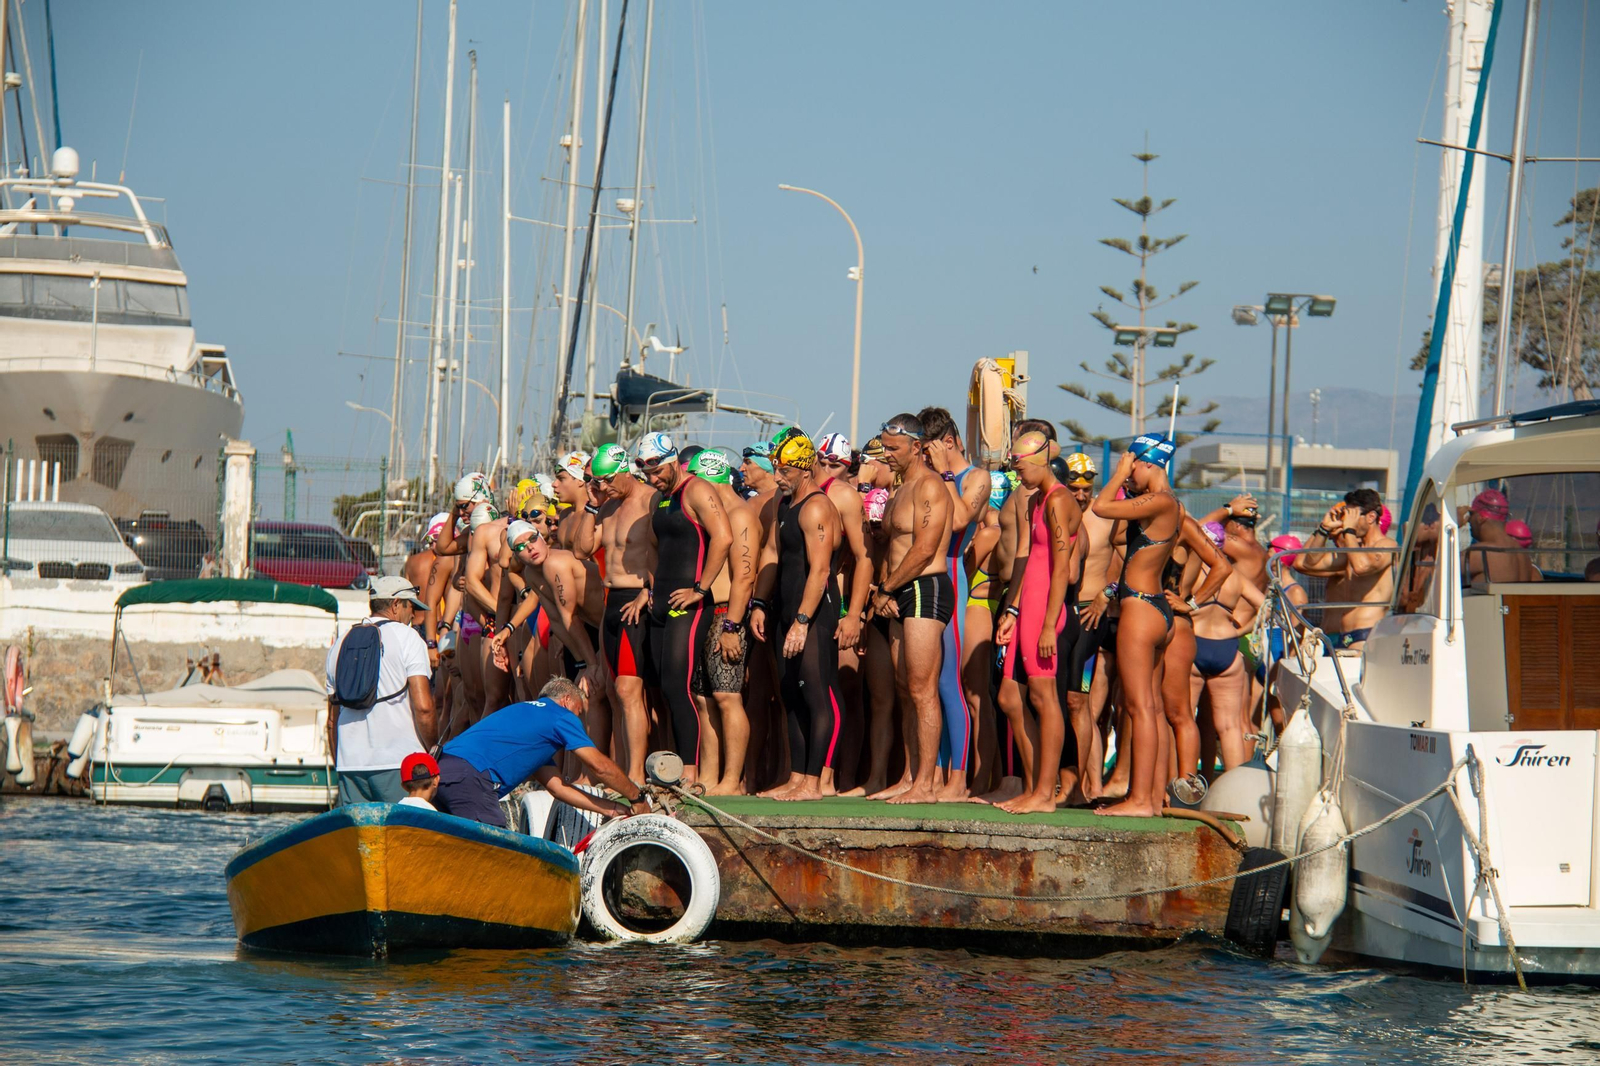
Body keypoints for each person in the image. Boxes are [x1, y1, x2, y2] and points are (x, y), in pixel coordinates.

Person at [1090, 435, 1186, 818]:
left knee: (1140, 708)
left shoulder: (1161, 500)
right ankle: (1153, 796)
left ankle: (1141, 800)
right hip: (1157, 610)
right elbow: (1119, 533)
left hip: (1141, 610)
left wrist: (1117, 474)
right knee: (1154, 709)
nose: (1130, 474)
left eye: (1135, 466)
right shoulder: (1171, 505)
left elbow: (1101, 506)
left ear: (1150, 463)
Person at [636, 432, 734, 786]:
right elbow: (651, 545)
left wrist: (700, 589)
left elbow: (723, 537)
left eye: (658, 471)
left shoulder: (698, 490)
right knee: (665, 685)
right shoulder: (658, 500)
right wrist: (649, 586)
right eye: (647, 474)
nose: (653, 479)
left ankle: (689, 774)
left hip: (690, 605)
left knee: (679, 686)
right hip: (662, 600)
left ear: (674, 460)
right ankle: (676, 767)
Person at [752, 431, 845, 801]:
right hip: (787, 607)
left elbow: (821, 571)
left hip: (815, 613)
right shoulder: (785, 503)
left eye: (784, 469)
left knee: (816, 694)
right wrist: (760, 603)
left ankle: (814, 781)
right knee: (791, 693)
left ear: (805, 469)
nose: (777, 476)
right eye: (776, 468)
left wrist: (803, 622)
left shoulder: (817, 507)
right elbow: (773, 555)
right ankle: (796, 776)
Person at [868, 413, 955, 805]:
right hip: (898, 591)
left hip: (923, 587)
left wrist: (887, 587)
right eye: (884, 446)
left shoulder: (930, 486)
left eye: (893, 448)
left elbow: (923, 549)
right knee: (905, 689)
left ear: (917, 447)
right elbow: (893, 546)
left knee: (922, 689)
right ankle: (908, 777)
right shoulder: (901, 489)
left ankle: (927, 784)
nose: (886, 454)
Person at [992, 431, 1081, 814]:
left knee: (1045, 699)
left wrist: (1048, 624)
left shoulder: (1060, 501)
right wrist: (1011, 611)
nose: (1018, 474)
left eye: (1021, 466)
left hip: (1047, 610)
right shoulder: (1036, 501)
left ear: (1041, 461)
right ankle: (1034, 788)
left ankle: (1045, 793)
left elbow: (1062, 569)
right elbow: (1026, 560)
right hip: (1027, 608)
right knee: (1013, 696)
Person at [436, 677, 651, 827]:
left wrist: (611, 809)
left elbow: (559, 788)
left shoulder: (526, 716)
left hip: (439, 770)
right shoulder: (559, 715)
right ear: (567, 700)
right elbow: (600, 767)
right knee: (491, 855)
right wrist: (636, 797)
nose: (579, 720)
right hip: (470, 777)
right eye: (579, 712)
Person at [916, 406, 990, 801]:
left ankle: (958, 779)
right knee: (923, 684)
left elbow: (961, 520)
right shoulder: (928, 476)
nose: (925, 459)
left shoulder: (975, 477)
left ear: (947, 442)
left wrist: (944, 472)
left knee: (948, 683)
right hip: (925, 579)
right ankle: (935, 774)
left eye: (928, 451)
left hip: (953, 577)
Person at [325, 576, 438, 805]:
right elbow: (424, 708)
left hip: (350, 765)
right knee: (401, 837)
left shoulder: (340, 643)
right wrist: (432, 750)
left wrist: (342, 762)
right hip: (400, 765)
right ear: (396, 605)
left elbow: (331, 720)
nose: (415, 616)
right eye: (411, 607)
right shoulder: (408, 637)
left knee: (362, 840)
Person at [687, 449, 759, 796]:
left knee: (727, 696)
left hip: (729, 615)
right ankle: (710, 776)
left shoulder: (741, 515)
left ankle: (733, 779)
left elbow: (745, 578)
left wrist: (732, 626)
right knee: (703, 699)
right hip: (708, 614)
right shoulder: (716, 516)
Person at [584, 443, 656, 782]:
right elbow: (583, 548)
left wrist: (649, 590)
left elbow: (665, 551)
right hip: (611, 601)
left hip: (634, 600)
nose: (603, 488)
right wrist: (590, 502)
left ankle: (636, 775)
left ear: (625, 470)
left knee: (630, 690)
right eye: (597, 482)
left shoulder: (650, 501)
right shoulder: (606, 506)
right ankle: (626, 771)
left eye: (607, 481)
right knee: (615, 691)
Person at [1188, 521, 1262, 778]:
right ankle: (1235, 790)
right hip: (1227, 649)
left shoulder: (1193, 571)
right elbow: (1266, 607)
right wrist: (1240, 630)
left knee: (1185, 720)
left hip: (1194, 644)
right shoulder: (1235, 576)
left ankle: (1185, 785)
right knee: (1229, 727)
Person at [1294, 488, 1398, 650]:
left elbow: (1362, 567)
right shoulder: (1352, 553)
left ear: (1371, 517)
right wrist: (1323, 530)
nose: (1347, 521)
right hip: (1344, 635)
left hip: (1367, 634)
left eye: (1352, 516)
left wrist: (1349, 531)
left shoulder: (1387, 546)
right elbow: (1308, 563)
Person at [1460, 488, 1536, 584]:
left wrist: (1450, 524)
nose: (1469, 520)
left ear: (1480, 518)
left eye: (1471, 514)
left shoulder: (1481, 553)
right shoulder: (1522, 553)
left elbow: (1440, 572)